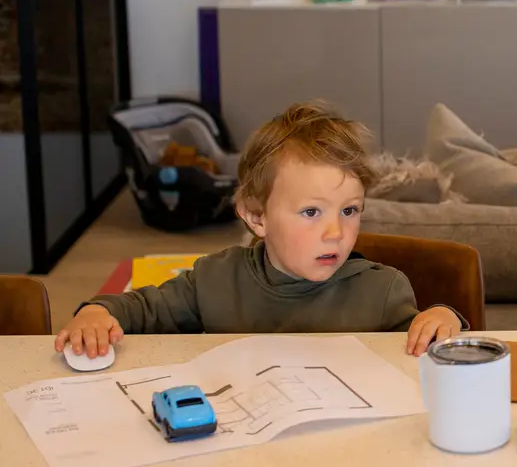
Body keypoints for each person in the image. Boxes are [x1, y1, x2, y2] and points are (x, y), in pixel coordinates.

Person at [55, 101, 464, 357]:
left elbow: (432, 346)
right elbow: (140, 310)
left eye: (350, 210)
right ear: (255, 217)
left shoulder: (383, 290)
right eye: (311, 213)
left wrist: (445, 317)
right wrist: (96, 312)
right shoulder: (213, 279)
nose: (336, 232)